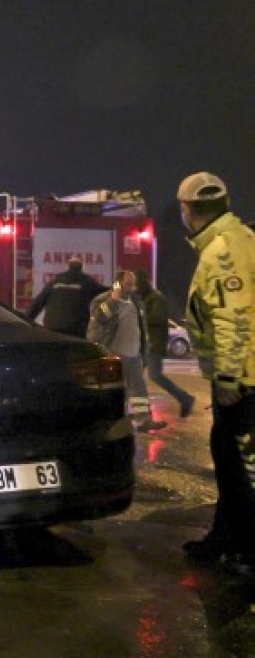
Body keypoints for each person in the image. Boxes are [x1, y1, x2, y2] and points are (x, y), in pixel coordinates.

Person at [175, 172, 255, 575]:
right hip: (245, 378)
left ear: (187, 210)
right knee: (228, 461)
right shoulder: (235, 240)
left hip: (244, 383)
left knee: (243, 471)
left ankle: (245, 551)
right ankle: (225, 538)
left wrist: (227, 380)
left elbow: (233, 318)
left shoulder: (223, 250)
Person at [88, 269, 164, 432]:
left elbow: (141, 327)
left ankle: (143, 420)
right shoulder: (102, 299)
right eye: (128, 284)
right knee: (112, 389)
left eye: (133, 284)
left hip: (133, 354)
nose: (131, 287)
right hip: (111, 353)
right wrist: (113, 300)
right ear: (118, 283)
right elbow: (99, 319)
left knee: (138, 389)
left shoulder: (135, 301)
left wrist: (144, 351)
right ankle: (109, 422)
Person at [135, 268, 195, 418]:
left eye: (138, 284)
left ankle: (185, 398)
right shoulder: (146, 298)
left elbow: (158, 319)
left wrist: (140, 316)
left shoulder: (155, 298)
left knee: (155, 376)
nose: (136, 288)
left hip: (153, 344)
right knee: (135, 378)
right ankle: (141, 411)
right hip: (145, 344)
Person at [27, 256, 108, 337]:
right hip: (75, 329)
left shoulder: (55, 281)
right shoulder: (87, 282)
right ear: (82, 267)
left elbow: (38, 303)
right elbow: (105, 293)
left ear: (68, 266)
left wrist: (27, 321)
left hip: (52, 328)